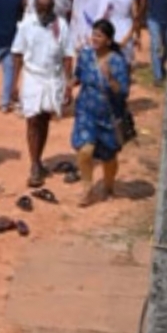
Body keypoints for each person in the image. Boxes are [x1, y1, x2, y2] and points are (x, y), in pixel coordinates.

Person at [11, 0, 75, 188]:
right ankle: (34, 165)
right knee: (32, 119)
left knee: (45, 118)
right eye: (41, 10)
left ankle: (39, 157)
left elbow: (67, 56)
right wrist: (14, 83)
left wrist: (68, 84)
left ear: (52, 8)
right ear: (36, 8)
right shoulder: (27, 25)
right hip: (32, 77)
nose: (44, 13)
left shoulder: (61, 25)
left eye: (48, 10)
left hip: (52, 78)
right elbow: (18, 54)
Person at [71, 18, 128, 207]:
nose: (94, 38)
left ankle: (109, 185)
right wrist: (67, 86)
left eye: (99, 35)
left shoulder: (118, 61)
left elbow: (122, 92)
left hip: (109, 117)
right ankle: (86, 188)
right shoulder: (86, 55)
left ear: (108, 40)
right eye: (93, 34)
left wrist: (110, 78)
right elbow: (78, 76)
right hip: (86, 111)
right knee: (85, 150)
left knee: (109, 157)